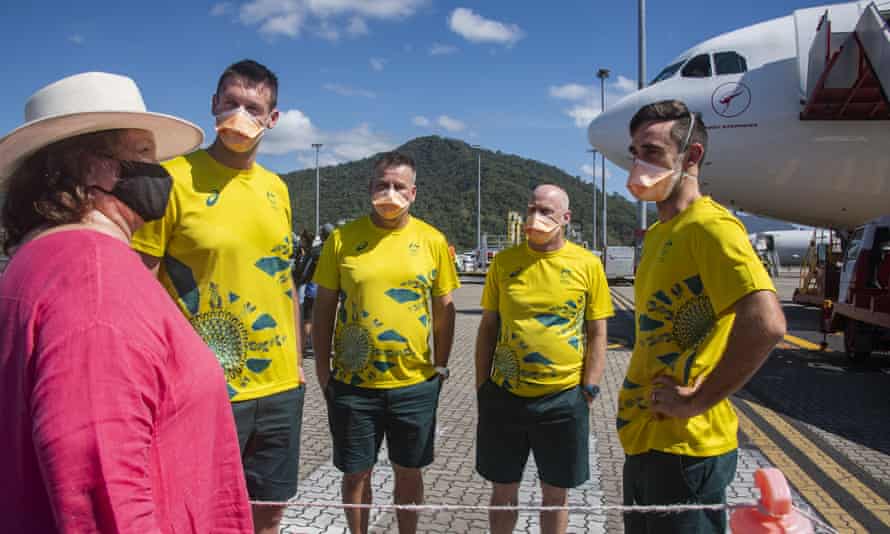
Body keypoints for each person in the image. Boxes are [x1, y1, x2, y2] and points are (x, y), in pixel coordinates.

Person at [0, 71, 252, 532]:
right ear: (83, 166)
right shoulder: (94, 279)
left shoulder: (41, 259)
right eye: (141, 155)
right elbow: (98, 482)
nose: (158, 174)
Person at [131, 59, 303, 534]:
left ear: (272, 119)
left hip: (279, 388)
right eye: (230, 103)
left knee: (268, 513)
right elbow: (140, 285)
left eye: (254, 107)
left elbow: (282, 277)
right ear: (212, 105)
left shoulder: (278, 189)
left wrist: (297, 364)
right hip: (202, 388)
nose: (239, 115)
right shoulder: (169, 180)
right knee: (197, 514)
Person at [620, 100, 786, 533]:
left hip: (687, 452)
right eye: (635, 151)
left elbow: (766, 323)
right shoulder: (659, 234)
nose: (639, 164)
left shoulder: (711, 227)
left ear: (691, 156)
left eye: (652, 152)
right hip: (647, 439)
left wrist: (696, 400)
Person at [312, 152, 459, 534]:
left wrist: (440, 368)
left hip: (414, 386)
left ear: (413, 193)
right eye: (382, 185)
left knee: (409, 473)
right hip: (352, 386)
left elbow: (445, 310)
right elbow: (325, 307)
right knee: (355, 474)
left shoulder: (432, 241)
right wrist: (323, 371)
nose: (389, 193)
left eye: (398, 186)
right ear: (369, 188)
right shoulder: (342, 240)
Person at [475, 184, 614, 534]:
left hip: (563, 399)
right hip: (505, 397)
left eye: (546, 212)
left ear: (565, 219)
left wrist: (590, 388)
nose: (535, 218)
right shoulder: (504, 263)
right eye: (531, 209)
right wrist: (482, 385)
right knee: (503, 492)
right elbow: (488, 326)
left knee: (555, 495)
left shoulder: (587, 264)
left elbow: (598, 332)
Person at [298, 223, 334, 356]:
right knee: (327, 320)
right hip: (330, 290)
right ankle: (327, 347)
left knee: (308, 319)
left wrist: (301, 280)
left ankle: (302, 348)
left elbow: (305, 269)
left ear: (322, 235)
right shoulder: (336, 251)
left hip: (313, 289)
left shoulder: (315, 251)